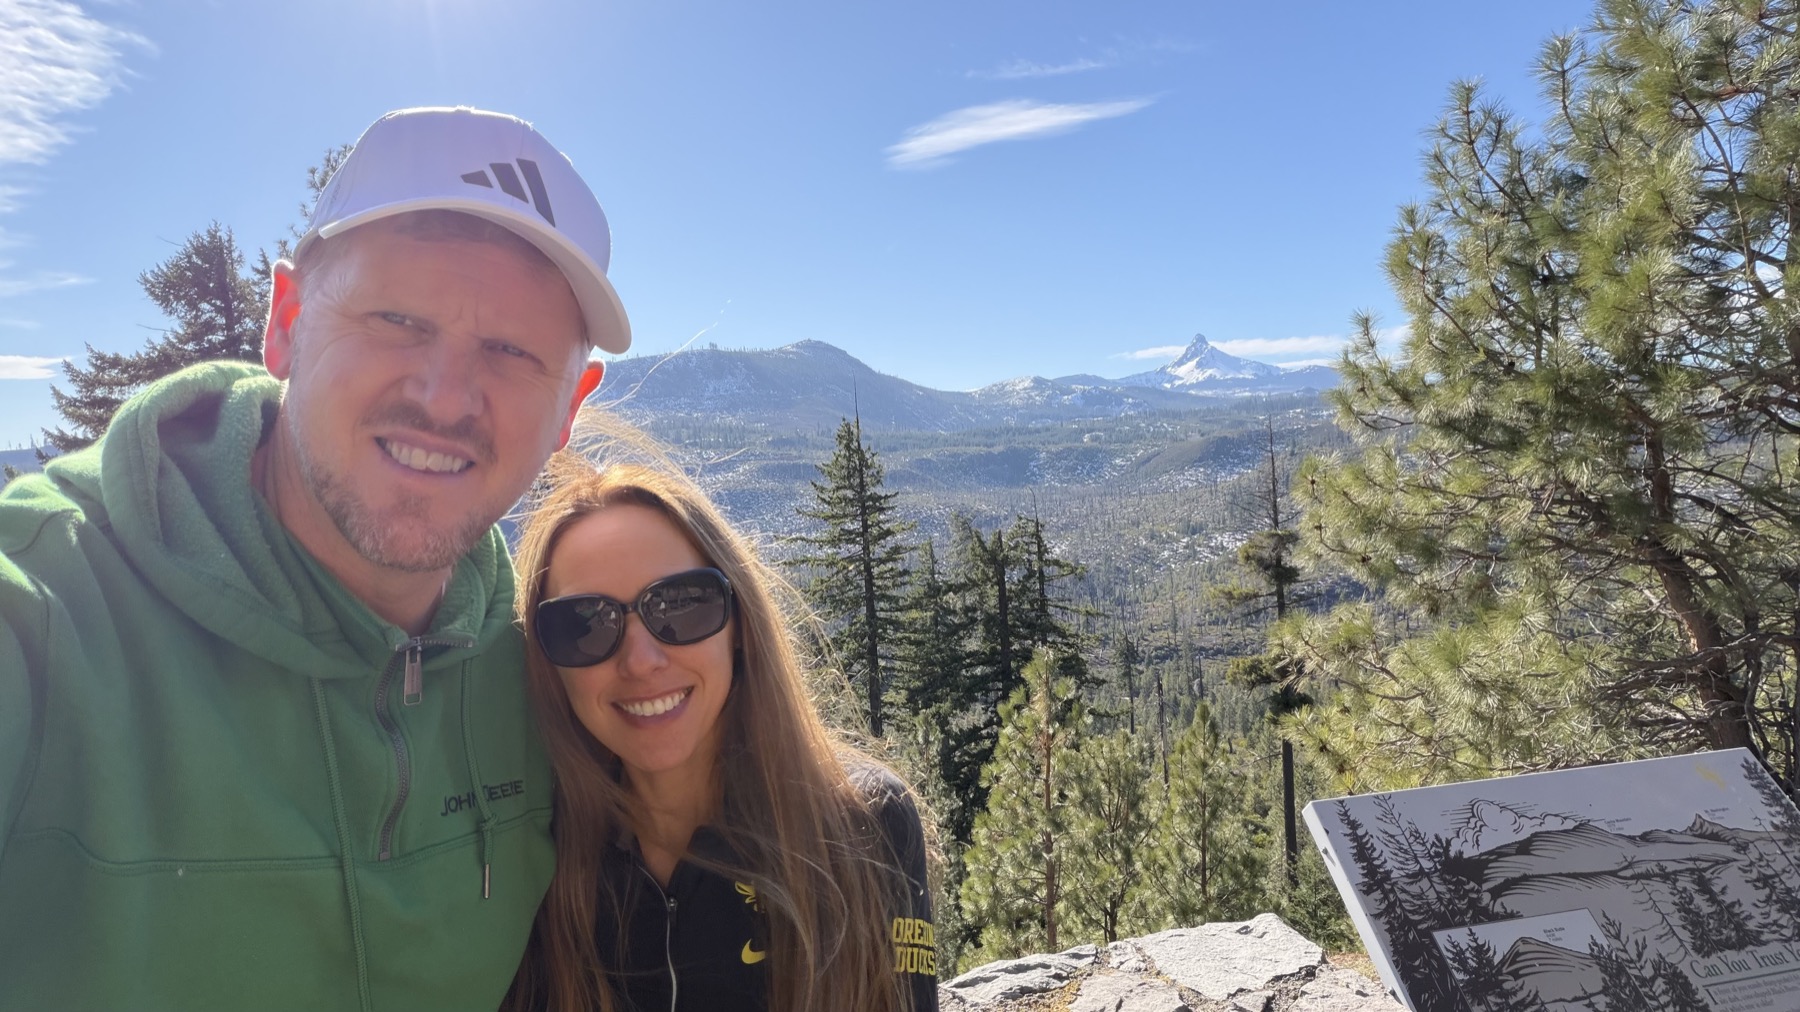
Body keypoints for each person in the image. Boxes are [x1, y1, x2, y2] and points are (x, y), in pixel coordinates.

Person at [0, 107, 630, 1010]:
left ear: (571, 405)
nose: (445, 397)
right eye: (399, 320)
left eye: (511, 352)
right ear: (286, 321)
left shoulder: (547, 667)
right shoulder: (47, 615)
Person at [506, 444, 939, 1012]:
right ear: (547, 662)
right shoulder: (535, 852)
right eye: (583, 624)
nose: (641, 660)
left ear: (739, 625)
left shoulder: (862, 824)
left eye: (682, 605)